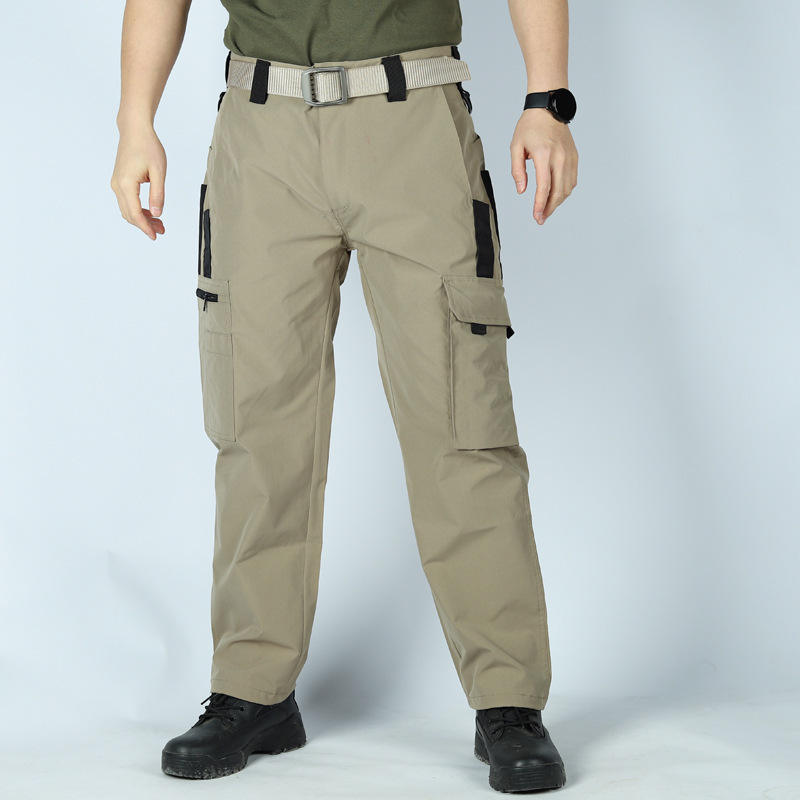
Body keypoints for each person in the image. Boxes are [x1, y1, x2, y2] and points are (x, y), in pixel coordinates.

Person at [111, 0, 578, 792]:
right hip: (262, 129)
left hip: (414, 117)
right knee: (256, 422)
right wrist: (135, 121)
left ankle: (509, 701)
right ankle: (253, 689)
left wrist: (547, 99)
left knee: (461, 422)